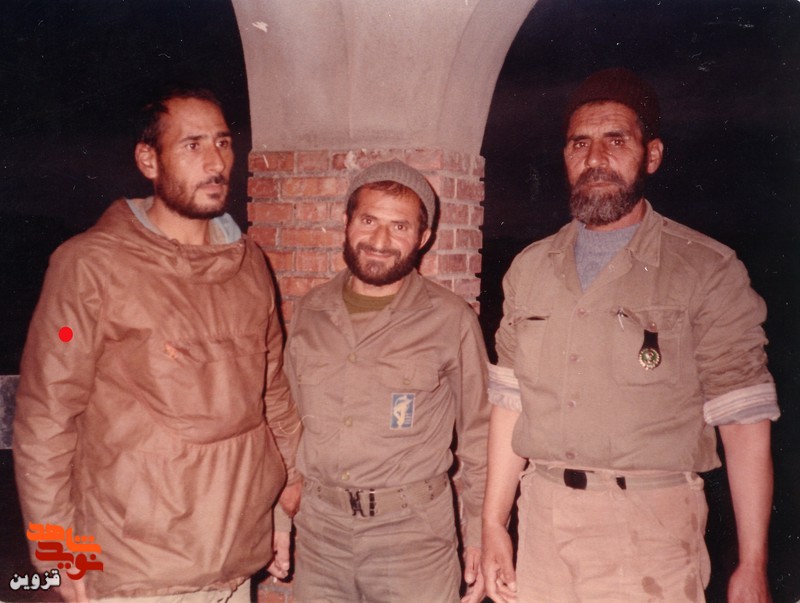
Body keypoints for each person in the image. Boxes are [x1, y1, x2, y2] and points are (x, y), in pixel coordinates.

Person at [481, 67, 780, 603]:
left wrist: (752, 563)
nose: (595, 158)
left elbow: (743, 421)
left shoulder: (704, 269)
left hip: (650, 534)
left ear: (652, 155)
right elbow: (510, 405)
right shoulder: (529, 269)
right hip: (543, 525)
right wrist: (492, 523)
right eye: (580, 143)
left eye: (616, 140)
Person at [13, 86, 302, 601]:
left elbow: (272, 394)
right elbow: (46, 416)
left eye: (222, 143)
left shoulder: (249, 265)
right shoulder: (89, 266)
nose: (215, 162)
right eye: (192, 145)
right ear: (149, 160)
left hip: (237, 557)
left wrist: (281, 509)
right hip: (138, 570)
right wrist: (59, 553)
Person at [283, 160, 490, 602]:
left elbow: (480, 433)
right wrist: (281, 518)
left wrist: (479, 533)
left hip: (413, 541)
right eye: (369, 220)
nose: (379, 241)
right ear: (346, 222)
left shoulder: (451, 319)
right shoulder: (309, 312)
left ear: (423, 236)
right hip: (320, 537)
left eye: (399, 227)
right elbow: (287, 424)